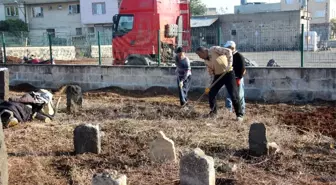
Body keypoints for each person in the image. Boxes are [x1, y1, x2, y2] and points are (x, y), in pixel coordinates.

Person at [196, 46, 243, 121]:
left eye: (199, 55)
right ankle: (214, 112)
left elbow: (228, 51)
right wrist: (209, 86)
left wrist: (229, 64)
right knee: (211, 92)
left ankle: (239, 115)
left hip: (228, 73)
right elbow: (211, 73)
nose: (200, 57)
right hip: (218, 76)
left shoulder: (214, 49)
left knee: (233, 94)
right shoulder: (206, 61)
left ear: (203, 52)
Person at [223, 41, 246, 115]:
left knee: (239, 96)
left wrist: (239, 78)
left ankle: (241, 111)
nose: (226, 50)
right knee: (228, 95)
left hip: (237, 79)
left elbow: (243, 69)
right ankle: (228, 112)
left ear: (232, 48)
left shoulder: (239, 56)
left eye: (227, 48)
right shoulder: (228, 57)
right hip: (230, 78)